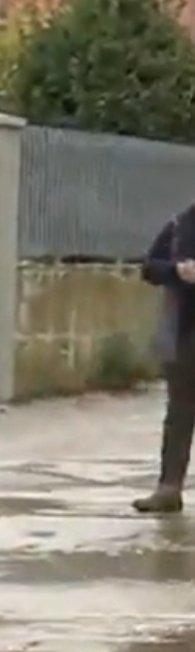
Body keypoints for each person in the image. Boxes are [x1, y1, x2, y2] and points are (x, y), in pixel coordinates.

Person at [134, 206, 195, 513]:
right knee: (180, 413)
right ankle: (169, 488)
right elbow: (149, 267)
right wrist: (176, 271)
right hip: (186, 333)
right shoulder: (181, 224)